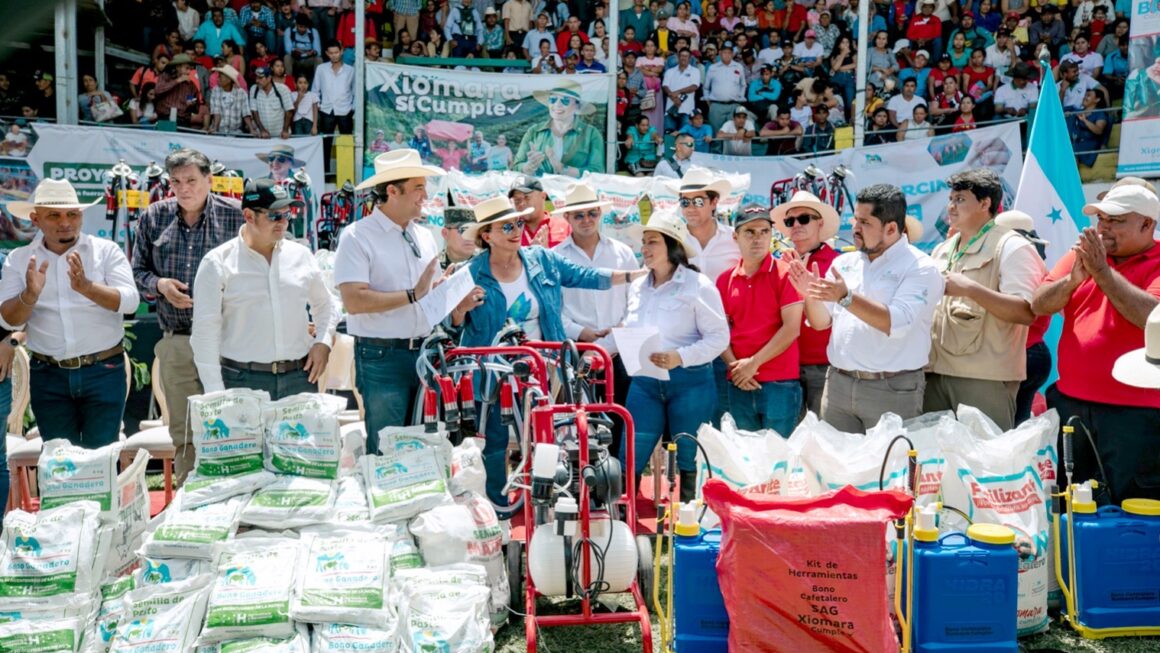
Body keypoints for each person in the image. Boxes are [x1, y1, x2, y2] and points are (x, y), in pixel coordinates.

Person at [453, 195, 641, 506]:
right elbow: (451, 325)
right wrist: (461, 308)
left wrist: (637, 275)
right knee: (497, 442)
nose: (516, 230)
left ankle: (552, 504)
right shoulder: (469, 273)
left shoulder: (541, 258)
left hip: (546, 367)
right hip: (494, 373)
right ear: (487, 235)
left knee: (552, 436)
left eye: (518, 223)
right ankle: (499, 509)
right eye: (506, 226)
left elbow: (587, 277)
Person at [335, 150, 480, 455]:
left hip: (425, 355)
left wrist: (452, 297)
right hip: (381, 357)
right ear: (392, 190)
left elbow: (427, 295)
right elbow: (354, 301)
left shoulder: (423, 235)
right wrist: (413, 295)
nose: (425, 195)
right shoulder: (357, 237)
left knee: (424, 448)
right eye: (418, 187)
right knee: (388, 451)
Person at [1032, 185, 1160, 502]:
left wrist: (1101, 272)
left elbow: (1150, 316)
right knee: (1072, 503)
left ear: (1147, 224)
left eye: (1116, 220)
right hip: (1072, 405)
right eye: (1101, 218)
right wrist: (1073, 279)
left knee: (1135, 506)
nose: (1103, 227)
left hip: (1135, 415)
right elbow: (1039, 303)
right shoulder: (1083, 256)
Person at [787, 184, 945, 433]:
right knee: (838, 468)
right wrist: (810, 295)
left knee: (889, 468)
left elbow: (897, 323)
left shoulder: (921, 267)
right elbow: (820, 323)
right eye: (854, 220)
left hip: (892, 389)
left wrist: (845, 297)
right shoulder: (844, 262)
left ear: (891, 228)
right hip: (838, 384)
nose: (855, 228)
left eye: (864, 222)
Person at [133, 148, 245, 485]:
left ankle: (236, 496)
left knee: (235, 424)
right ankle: (187, 498)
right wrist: (160, 285)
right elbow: (137, 272)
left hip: (229, 342)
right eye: (177, 182)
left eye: (192, 181)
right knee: (183, 429)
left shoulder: (237, 217)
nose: (184, 189)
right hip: (177, 339)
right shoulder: (153, 218)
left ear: (210, 180)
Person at [0, 179, 139, 447]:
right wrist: (28, 296)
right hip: (49, 376)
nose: (65, 222)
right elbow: (7, 319)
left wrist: (87, 288)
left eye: (72, 214)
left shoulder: (105, 251)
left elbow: (130, 301)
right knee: (60, 468)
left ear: (81, 216)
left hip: (104, 371)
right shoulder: (19, 259)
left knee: (101, 463)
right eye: (54, 215)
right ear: (35, 219)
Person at [191, 179, 337, 400]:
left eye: (287, 215)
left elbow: (326, 304)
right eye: (274, 216)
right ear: (249, 216)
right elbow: (205, 332)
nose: (283, 223)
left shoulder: (300, 255)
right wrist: (216, 394)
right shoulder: (217, 262)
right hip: (241, 380)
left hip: (299, 377)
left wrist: (323, 342)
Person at [619, 210, 729, 501]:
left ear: (672, 246)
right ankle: (621, 521)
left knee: (689, 456)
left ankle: (689, 525)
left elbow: (720, 338)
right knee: (631, 451)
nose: (644, 248)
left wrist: (680, 356)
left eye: (652, 241)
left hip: (690, 382)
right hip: (644, 382)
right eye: (643, 242)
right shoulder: (637, 287)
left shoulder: (699, 286)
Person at [924, 169, 1046, 430]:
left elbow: (1026, 312)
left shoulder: (1012, 246)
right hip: (934, 375)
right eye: (951, 199)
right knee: (936, 464)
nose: (951, 207)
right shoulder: (942, 249)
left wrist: (971, 289)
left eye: (960, 199)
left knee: (985, 464)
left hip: (983, 380)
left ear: (985, 203)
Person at [551, 182, 639, 454]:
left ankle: (619, 485)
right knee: (578, 423)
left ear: (600, 214)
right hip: (577, 349)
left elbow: (636, 298)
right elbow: (552, 308)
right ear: (567, 218)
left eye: (592, 213)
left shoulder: (622, 252)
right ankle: (583, 486)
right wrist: (580, 332)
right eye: (579, 215)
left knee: (624, 418)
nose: (586, 220)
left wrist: (614, 338)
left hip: (622, 348)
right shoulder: (554, 258)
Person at [717, 205, 803, 435]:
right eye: (750, 232)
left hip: (780, 383)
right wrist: (736, 368)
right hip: (738, 383)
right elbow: (718, 332)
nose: (758, 238)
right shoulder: (724, 280)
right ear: (735, 237)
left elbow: (792, 328)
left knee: (779, 463)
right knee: (746, 462)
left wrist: (752, 364)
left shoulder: (786, 274)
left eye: (764, 231)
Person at [775, 191, 840, 418]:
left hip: (824, 366)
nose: (796, 225)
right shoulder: (780, 263)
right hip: (785, 365)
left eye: (804, 219)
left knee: (823, 439)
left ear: (820, 223)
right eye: (790, 221)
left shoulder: (838, 263)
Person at [994, 209, 1053, 425]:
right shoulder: (1035, 263)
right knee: (1017, 427)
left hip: (1020, 353)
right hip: (1034, 351)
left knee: (1006, 429)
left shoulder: (1017, 265)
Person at [512, 81, 604, 177]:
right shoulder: (534, 131)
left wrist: (562, 168)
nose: (557, 104)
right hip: (540, 190)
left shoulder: (592, 133)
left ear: (577, 106)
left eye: (565, 101)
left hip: (575, 190)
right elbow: (517, 166)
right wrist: (529, 166)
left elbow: (597, 171)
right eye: (553, 99)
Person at [509, 175, 570, 248]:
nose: (522, 203)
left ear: (543, 196)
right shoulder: (510, 233)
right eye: (517, 200)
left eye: (527, 197)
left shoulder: (564, 226)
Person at [313, 40, 355, 135]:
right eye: (331, 53)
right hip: (326, 110)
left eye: (336, 52)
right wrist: (319, 105)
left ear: (341, 51)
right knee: (325, 143)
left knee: (346, 143)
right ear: (327, 53)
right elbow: (315, 90)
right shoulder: (321, 69)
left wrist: (352, 108)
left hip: (345, 110)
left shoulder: (351, 70)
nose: (334, 55)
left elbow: (355, 92)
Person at [704, 44, 748, 130]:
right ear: (720, 54)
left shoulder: (738, 66)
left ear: (732, 54)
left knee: (733, 135)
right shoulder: (712, 68)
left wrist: (740, 99)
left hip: (734, 105)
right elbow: (706, 88)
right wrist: (709, 104)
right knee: (716, 135)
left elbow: (743, 85)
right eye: (725, 52)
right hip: (716, 106)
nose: (727, 55)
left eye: (729, 53)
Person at [207, 65, 254, 135]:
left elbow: (246, 113)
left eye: (220, 77)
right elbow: (216, 111)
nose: (217, 79)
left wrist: (251, 130)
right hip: (219, 131)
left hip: (236, 132)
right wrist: (216, 128)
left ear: (229, 80)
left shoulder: (241, 93)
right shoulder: (215, 90)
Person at [249, 66, 294, 139]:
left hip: (281, 136)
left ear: (269, 78)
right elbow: (254, 112)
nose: (257, 80)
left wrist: (285, 130)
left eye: (260, 78)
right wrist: (262, 130)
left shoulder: (282, 89)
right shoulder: (253, 89)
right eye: (256, 78)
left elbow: (289, 110)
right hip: (262, 136)